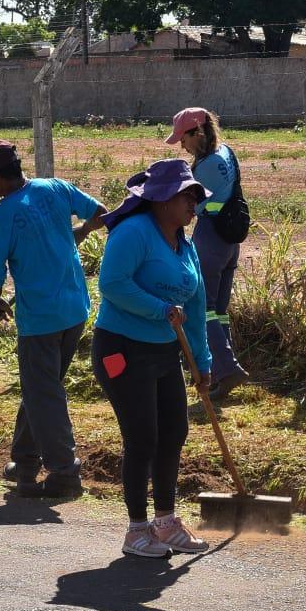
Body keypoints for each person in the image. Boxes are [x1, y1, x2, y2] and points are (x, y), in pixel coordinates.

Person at [0, 139, 106, 498]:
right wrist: (77, 234)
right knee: (39, 387)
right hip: (74, 310)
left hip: (41, 319)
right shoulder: (54, 187)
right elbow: (100, 212)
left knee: (43, 393)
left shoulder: (2, 214)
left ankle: (64, 472)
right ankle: (25, 461)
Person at [94, 158, 214, 558]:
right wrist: (159, 309)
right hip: (122, 349)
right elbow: (112, 284)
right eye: (187, 196)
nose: (194, 204)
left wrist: (203, 360)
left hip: (165, 351)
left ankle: (165, 524)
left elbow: (194, 306)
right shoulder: (133, 233)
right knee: (142, 438)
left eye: (197, 197)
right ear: (162, 200)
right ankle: (136, 531)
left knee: (173, 432)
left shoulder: (185, 244)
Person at [165, 107, 249, 400]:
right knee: (220, 311)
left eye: (183, 139)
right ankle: (223, 373)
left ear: (196, 133)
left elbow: (194, 206)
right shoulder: (226, 152)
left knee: (203, 308)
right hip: (230, 241)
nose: (182, 146)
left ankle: (226, 369)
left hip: (211, 238)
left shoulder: (205, 166)